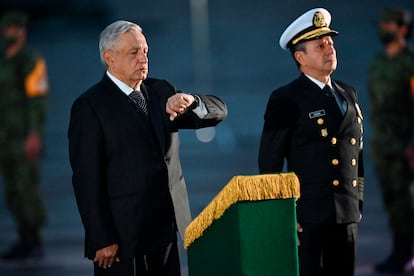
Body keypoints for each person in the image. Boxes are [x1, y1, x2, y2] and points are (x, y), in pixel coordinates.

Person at [68, 20, 227, 276]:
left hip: (165, 230)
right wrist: (101, 237)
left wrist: (192, 101)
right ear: (109, 58)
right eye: (134, 52)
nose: (143, 58)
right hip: (121, 239)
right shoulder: (90, 106)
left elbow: (218, 111)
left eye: (145, 51)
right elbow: (87, 179)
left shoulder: (162, 91)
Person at [258, 8, 364, 276]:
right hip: (308, 219)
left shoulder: (347, 93)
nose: (330, 49)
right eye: (320, 45)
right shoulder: (286, 99)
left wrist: (357, 202)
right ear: (300, 57)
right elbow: (269, 163)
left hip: (346, 213)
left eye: (330, 43)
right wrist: (284, 216)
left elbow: (356, 152)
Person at [367, 7, 414, 274]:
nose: (383, 28)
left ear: (403, 29)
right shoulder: (378, 62)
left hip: (405, 145)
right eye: (382, 23)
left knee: (407, 202)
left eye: (389, 24)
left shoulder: (410, 63)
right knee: (392, 200)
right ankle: (399, 251)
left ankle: (405, 253)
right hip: (383, 144)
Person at [0, 11, 49, 260]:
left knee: (27, 188)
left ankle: (34, 240)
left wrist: (33, 134)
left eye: (14, 29)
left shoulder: (30, 61)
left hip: (23, 136)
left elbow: (37, 101)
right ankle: (23, 238)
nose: (10, 34)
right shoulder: (3, 62)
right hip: (4, 138)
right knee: (12, 191)